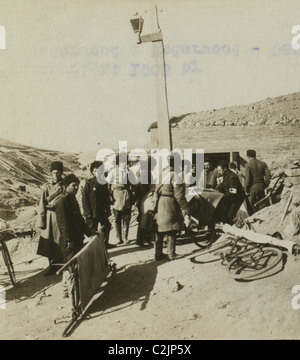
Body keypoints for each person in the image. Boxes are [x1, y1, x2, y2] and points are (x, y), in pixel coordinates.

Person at [55, 174, 91, 298]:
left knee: (75, 266)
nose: (76, 188)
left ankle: (70, 290)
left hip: (77, 238)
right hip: (68, 241)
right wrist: (68, 240)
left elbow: (80, 220)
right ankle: (68, 291)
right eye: (73, 185)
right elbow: (62, 224)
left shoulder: (72, 199)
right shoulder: (61, 202)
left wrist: (90, 233)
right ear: (66, 186)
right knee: (70, 267)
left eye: (77, 185)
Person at [154, 157, 191, 261]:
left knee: (161, 230)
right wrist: (187, 209)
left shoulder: (162, 174)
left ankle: (158, 254)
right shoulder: (175, 176)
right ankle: (171, 254)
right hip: (169, 203)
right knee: (171, 229)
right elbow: (179, 195)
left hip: (160, 202)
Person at [36, 161, 64, 275]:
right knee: (49, 242)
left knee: (61, 240)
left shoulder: (64, 186)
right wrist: (41, 221)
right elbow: (42, 204)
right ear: (51, 174)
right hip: (49, 217)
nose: (55, 175)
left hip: (61, 216)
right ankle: (51, 265)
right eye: (53, 173)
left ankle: (62, 264)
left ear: (61, 173)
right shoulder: (46, 187)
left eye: (58, 173)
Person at [81, 161, 115, 249]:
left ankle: (105, 243)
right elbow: (84, 199)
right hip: (92, 212)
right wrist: (87, 212)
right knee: (92, 230)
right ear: (92, 172)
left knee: (106, 226)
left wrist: (108, 210)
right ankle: (94, 247)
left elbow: (106, 198)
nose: (98, 172)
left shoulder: (104, 183)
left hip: (102, 211)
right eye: (96, 171)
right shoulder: (89, 183)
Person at [107, 154, 135, 245]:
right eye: (122, 162)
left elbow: (133, 184)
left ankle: (125, 236)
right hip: (117, 195)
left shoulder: (128, 172)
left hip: (126, 195)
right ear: (118, 163)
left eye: (125, 162)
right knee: (117, 218)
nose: (124, 164)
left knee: (126, 217)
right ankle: (118, 237)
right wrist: (110, 195)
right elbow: (108, 184)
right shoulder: (113, 172)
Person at [216, 160, 246, 225]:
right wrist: (215, 190)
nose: (218, 172)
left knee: (230, 215)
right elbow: (223, 184)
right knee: (224, 214)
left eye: (219, 170)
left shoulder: (233, 177)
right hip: (230, 198)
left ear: (225, 169)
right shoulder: (226, 175)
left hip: (237, 198)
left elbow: (233, 192)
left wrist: (220, 196)